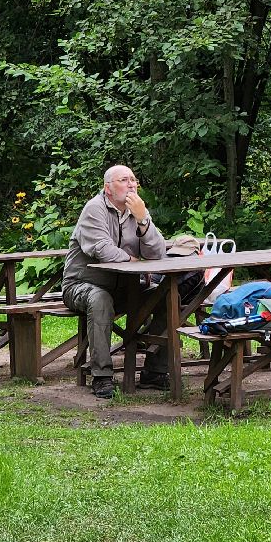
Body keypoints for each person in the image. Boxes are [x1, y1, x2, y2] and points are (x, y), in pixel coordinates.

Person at [62, 165, 169, 397]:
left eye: (134, 179)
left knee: (166, 297)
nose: (132, 184)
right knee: (100, 300)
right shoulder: (94, 209)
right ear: (108, 188)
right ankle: (101, 376)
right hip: (81, 285)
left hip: (126, 288)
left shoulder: (138, 211)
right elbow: (103, 250)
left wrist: (143, 221)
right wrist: (132, 259)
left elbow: (158, 252)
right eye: (124, 179)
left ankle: (155, 372)